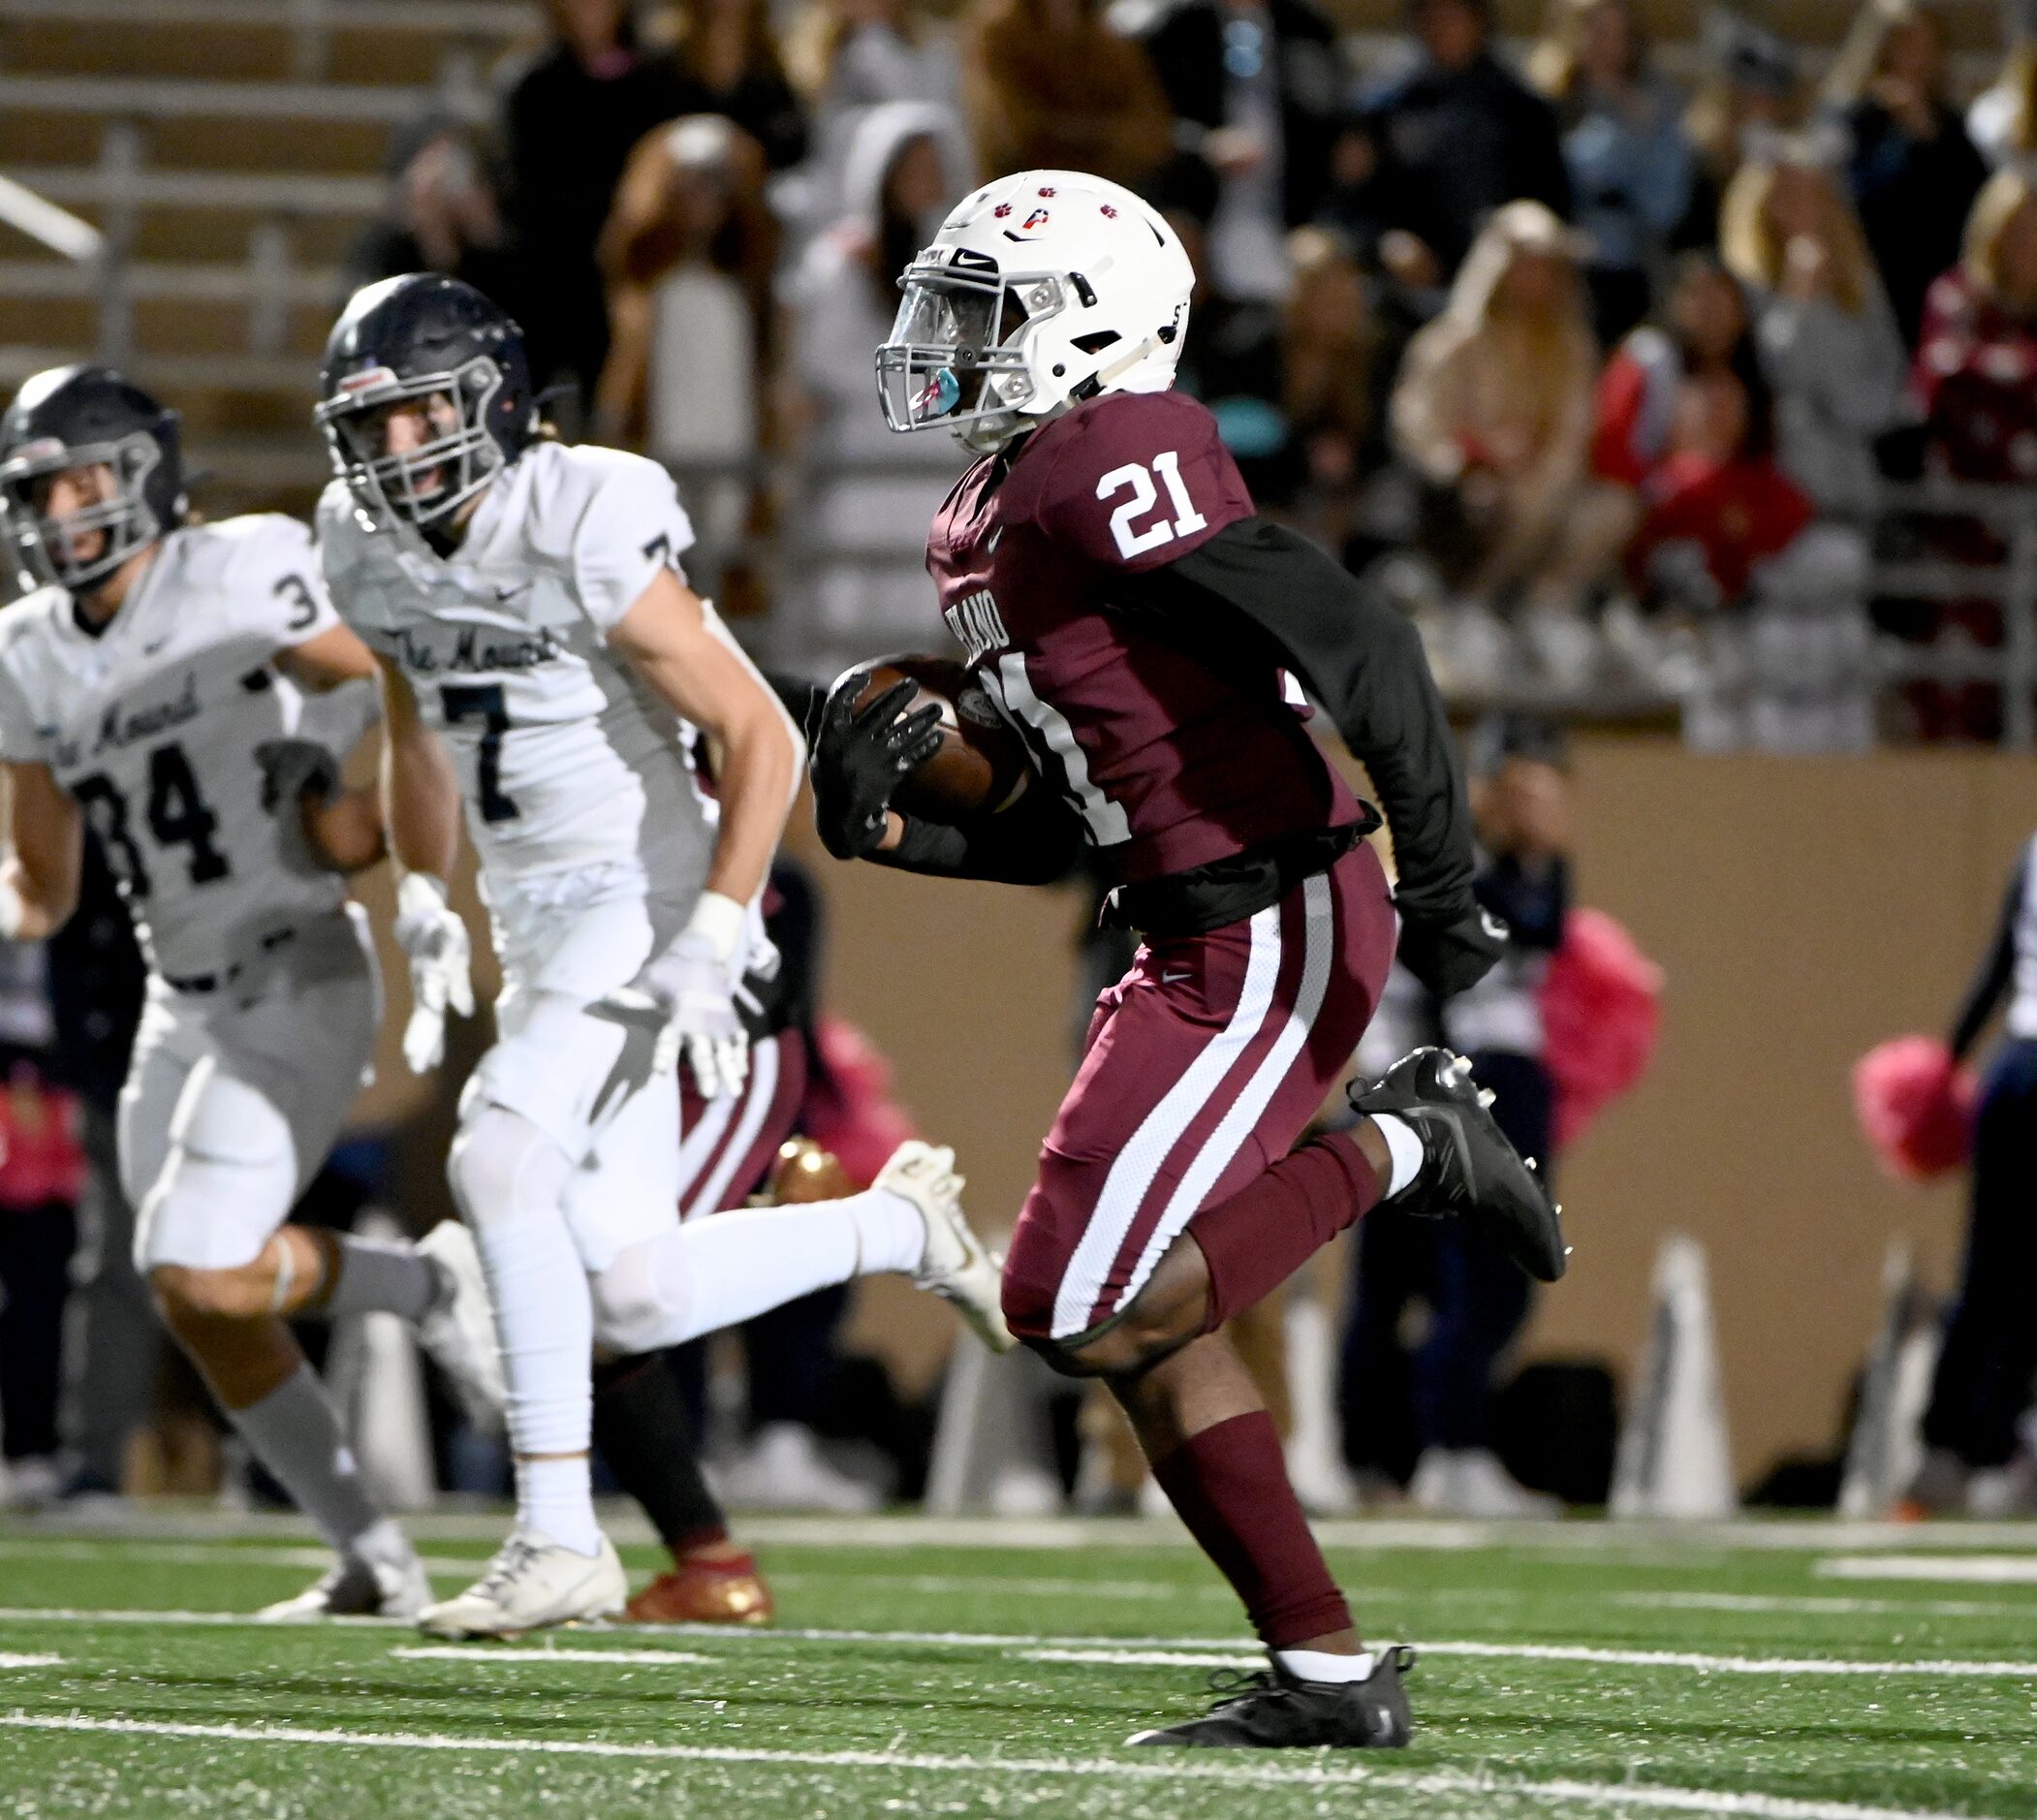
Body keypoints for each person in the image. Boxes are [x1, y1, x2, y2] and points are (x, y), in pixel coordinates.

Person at [818, 168, 1564, 1749]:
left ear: (1085, 329)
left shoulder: (1107, 449)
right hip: (1180, 919)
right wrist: (908, 821)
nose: (943, 339)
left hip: (1264, 911)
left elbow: (1359, 641)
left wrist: (1441, 881)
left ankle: (1411, 1142)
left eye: (982, 309)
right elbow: (1073, 817)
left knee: (1069, 1301)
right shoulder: (987, 510)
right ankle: (1324, 1670)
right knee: (1145, 1327)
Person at [312, 272, 1012, 1638]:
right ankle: (896, 1224)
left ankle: (557, 1536)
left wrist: (712, 925)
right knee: (626, 1285)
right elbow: (412, 721)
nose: (397, 454)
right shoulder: (361, 542)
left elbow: (761, 730)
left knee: (495, 1154)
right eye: (372, 427)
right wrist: (420, 896)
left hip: (643, 897)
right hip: (537, 919)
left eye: (420, 417)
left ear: (495, 403)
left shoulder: (577, 511)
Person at [0, 364, 505, 1617]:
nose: (59, 510)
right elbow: (44, 890)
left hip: (298, 963)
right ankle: (372, 1557)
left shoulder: (240, 570)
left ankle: (429, 1281)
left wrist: (360, 810)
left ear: (148, 474)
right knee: (193, 1297)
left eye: (80, 479)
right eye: (36, 490)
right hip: (181, 999)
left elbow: (407, 674)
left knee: (198, 1258)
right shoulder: (24, 653)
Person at [1341, 714, 1570, 1518]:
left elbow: (1549, 923)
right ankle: (1439, 1448)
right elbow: (1494, 942)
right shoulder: (1433, 857)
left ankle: (1403, 1454)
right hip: (1453, 1075)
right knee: (1467, 1278)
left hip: (1421, 1076)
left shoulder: (1466, 858)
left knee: (1431, 1280)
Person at [1389, 201, 1631, 688]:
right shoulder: (1454, 342)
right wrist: (1465, 464)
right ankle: (1470, 606)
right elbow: (1417, 422)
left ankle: (1546, 605)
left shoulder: (1571, 348)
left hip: (1545, 490)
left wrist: (1536, 474)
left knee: (1611, 508)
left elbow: (1572, 436)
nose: (1534, 280)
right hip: (1468, 499)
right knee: (1486, 507)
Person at [774, 104, 968, 679]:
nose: (923, 181)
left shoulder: (962, 264)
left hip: (934, 471)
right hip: (860, 463)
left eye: (933, 167)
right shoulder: (839, 259)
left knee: (915, 627)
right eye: (910, 167)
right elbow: (824, 361)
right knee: (843, 619)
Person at [1901, 826, 2037, 1517]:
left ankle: (1950, 1448)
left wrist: (1945, 1066)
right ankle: (1985, 1447)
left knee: (1989, 1272)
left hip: (2013, 1071)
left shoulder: (2032, 847)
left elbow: (1996, 971)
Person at [1718, 137, 1906, 519]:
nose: (1800, 207)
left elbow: (1887, 368)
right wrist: (1797, 301)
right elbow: (1772, 373)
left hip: (1854, 456)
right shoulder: (1739, 283)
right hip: (1775, 462)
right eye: (1786, 194)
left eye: (1813, 195)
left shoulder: (1859, 283)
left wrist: (1855, 412)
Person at [1130, 0, 1344, 303]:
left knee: (1324, 265)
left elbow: (1333, 121)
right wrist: (1204, 146)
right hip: (1200, 205)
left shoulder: (1308, 29)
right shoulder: (1176, 29)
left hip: (1292, 212)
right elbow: (1149, 127)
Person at [1356, 0, 1571, 289]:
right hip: (1412, 284)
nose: (1442, 28)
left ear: (1478, 21)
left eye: (1453, 17)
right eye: (1431, 18)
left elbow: (1551, 200)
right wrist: (1387, 241)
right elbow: (1357, 200)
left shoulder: (1520, 107)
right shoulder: (1386, 108)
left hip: (1504, 280)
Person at [1527, 0, 1694, 344]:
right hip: (1554, 273)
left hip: (1631, 275)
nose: (1606, 46)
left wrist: (1636, 132)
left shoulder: (1657, 110)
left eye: (1618, 35)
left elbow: (1665, 207)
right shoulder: (1539, 105)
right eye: (1595, 32)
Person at [1822, 0, 1987, 348]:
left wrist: (1923, 132)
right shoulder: (1853, 122)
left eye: (1925, 43)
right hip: (1873, 280)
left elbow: (1975, 205)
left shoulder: (1953, 128)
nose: (1916, 55)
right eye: (1904, 42)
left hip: (1938, 278)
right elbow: (1850, 197)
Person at [959, 0, 1172, 198]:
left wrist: (1094, 136)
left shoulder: (1109, 43)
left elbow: (1151, 133)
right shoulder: (1000, 36)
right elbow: (1007, 131)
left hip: (1107, 193)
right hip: (1022, 194)